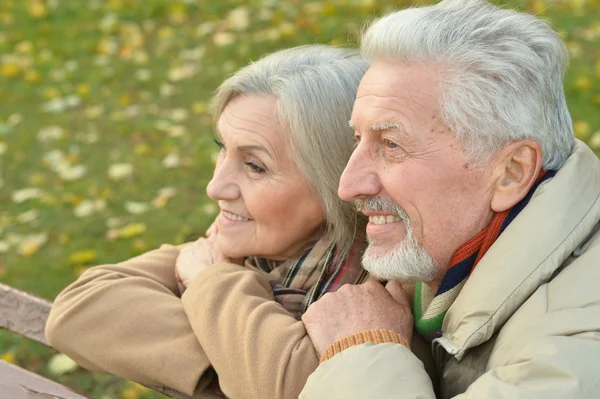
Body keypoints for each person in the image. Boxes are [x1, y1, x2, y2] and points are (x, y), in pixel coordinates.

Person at [299, 1, 600, 398]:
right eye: (359, 139)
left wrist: (362, 349)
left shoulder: (576, 350)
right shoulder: (450, 255)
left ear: (511, 172)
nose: (348, 185)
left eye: (391, 144)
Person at [45, 45, 371, 399]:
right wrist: (239, 366)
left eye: (255, 166)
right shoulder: (244, 245)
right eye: (223, 148)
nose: (215, 187)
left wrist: (211, 281)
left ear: (337, 181)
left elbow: (290, 388)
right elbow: (79, 309)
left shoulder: (384, 288)